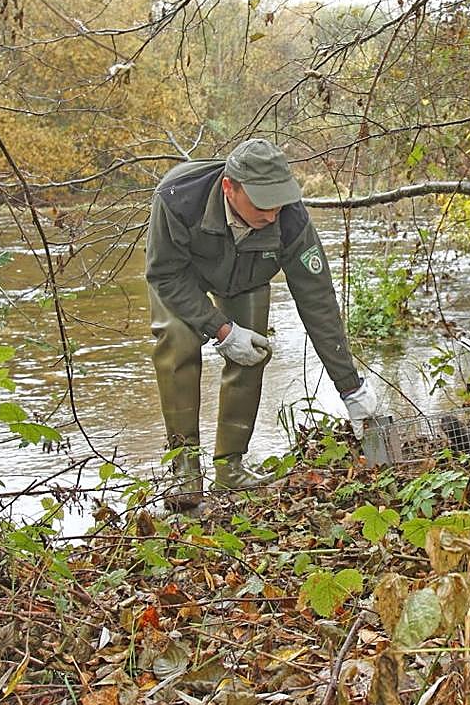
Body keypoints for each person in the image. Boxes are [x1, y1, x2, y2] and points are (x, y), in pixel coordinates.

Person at [145, 138, 380, 507]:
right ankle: (185, 471)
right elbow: (163, 275)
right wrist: (220, 329)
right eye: (261, 204)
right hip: (180, 279)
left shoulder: (291, 219)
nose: (272, 215)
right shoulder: (177, 197)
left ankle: (230, 467)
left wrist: (350, 387)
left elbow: (318, 301)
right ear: (229, 188)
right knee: (177, 341)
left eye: (278, 204)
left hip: (245, 279)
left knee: (252, 350)